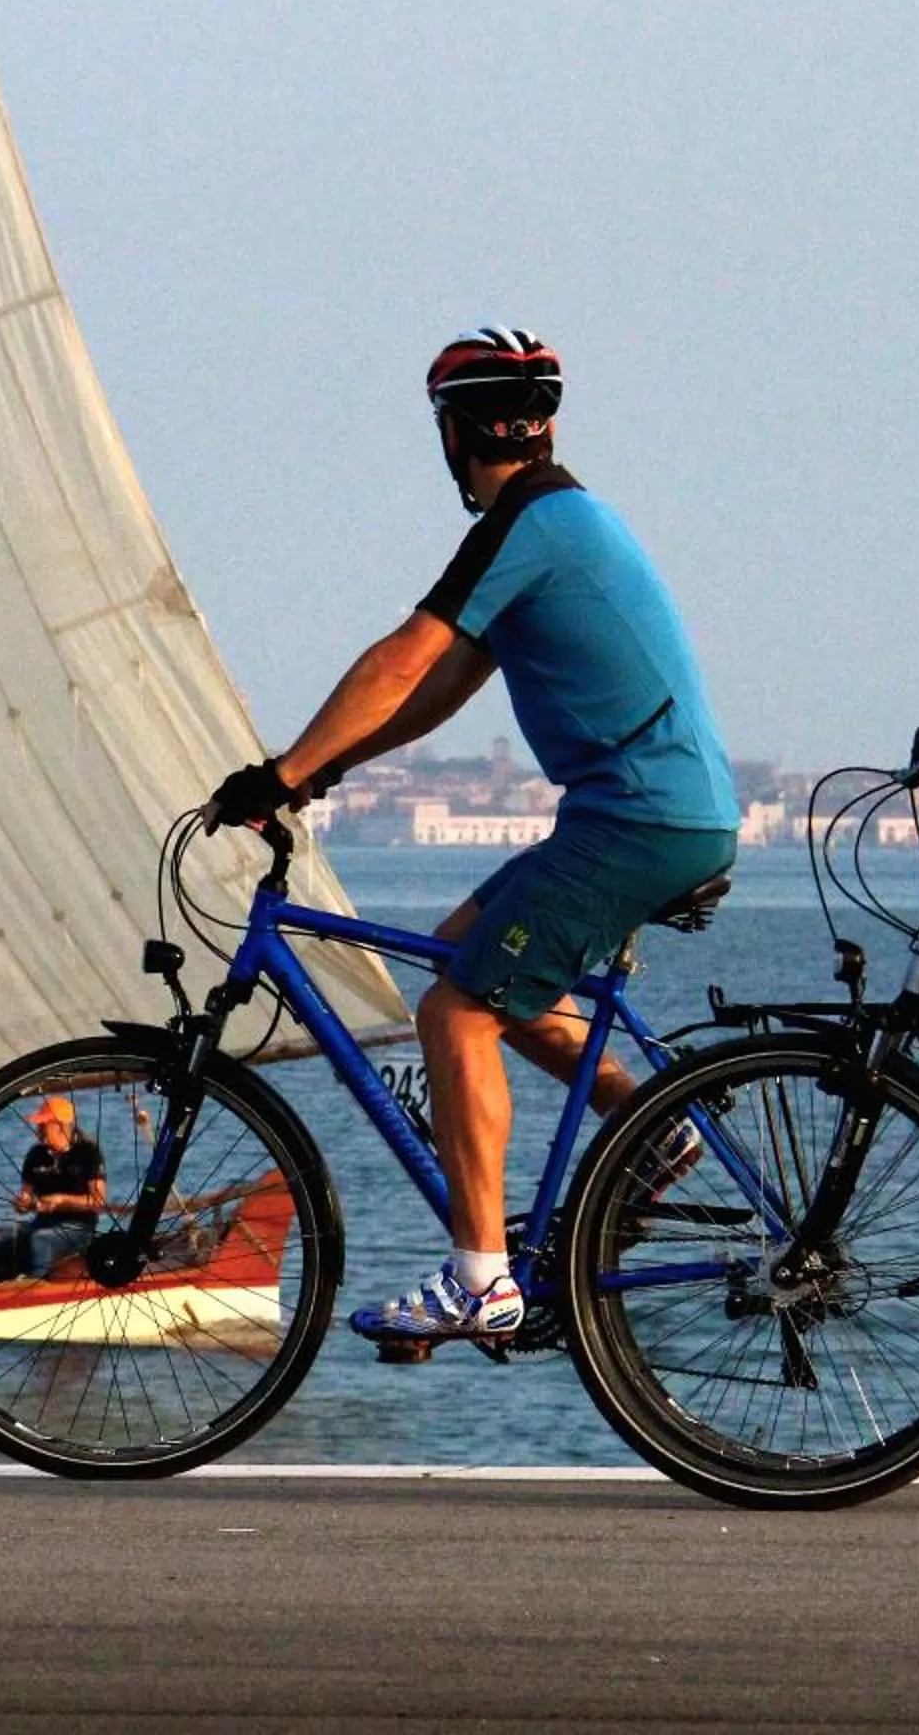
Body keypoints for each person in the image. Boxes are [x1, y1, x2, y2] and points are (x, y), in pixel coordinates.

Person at [205, 326, 740, 1344]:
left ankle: (482, 1278)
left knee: (456, 1012)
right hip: (647, 814)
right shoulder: (556, 518)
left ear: (456, 431)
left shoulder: (527, 523)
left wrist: (278, 771)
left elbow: (405, 657)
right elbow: (447, 686)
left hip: (637, 818)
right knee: (461, 959)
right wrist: (325, 767)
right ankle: (651, 1123)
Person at [0, 1095, 107, 1279]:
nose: (39, 1130)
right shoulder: (36, 1155)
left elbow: (97, 1201)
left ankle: (34, 1285)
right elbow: (26, 1196)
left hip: (79, 1228)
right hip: (41, 1223)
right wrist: (22, 1203)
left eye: (44, 1126)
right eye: (40, 1126)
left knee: (40, 1240)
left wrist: (61, 1201)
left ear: (60, 1126)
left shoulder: (88, 1153)